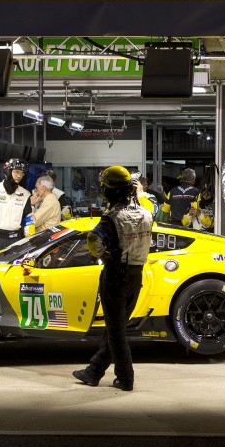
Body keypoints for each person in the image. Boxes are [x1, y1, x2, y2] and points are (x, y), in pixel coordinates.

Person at [73, 165, 153, 391]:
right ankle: (94, 371)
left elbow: (92, 239)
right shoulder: (146, 213)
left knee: (116, 332)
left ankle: (125, 377)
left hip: (115, 277)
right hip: (136, 278)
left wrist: (104, 255)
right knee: (114, 328)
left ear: (111, 191)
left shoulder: (111, 217)